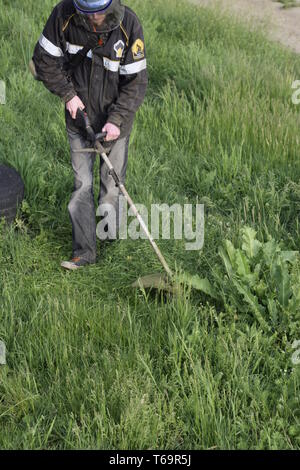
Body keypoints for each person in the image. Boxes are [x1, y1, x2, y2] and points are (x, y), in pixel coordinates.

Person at [31, 0, 148, 270]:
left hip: (115, 126)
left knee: (112, 186)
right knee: (82, 185)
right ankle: (84, 252)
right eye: (89, 12)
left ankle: (111, 240)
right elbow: (43, 61)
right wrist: (68, 95)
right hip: (79, 120)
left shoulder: (129, 25)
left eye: (100, 11)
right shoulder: (63, 15)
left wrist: (116, 121)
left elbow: (136, 84)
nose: (95, 17)